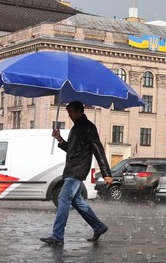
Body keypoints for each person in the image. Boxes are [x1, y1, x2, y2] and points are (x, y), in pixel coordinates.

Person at [40, 100, 113, 246]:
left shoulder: (88, 128)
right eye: (68, 113)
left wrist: (106, 173)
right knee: (77, 201)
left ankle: (57, 236)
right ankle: (99, 227)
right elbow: (71, 149)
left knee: (62, 198)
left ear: (79, 111)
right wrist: (59, 138)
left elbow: (98, 149)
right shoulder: (76, 128)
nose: (69, 115)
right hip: (71, 170)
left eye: (71, 112)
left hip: (77, 171)